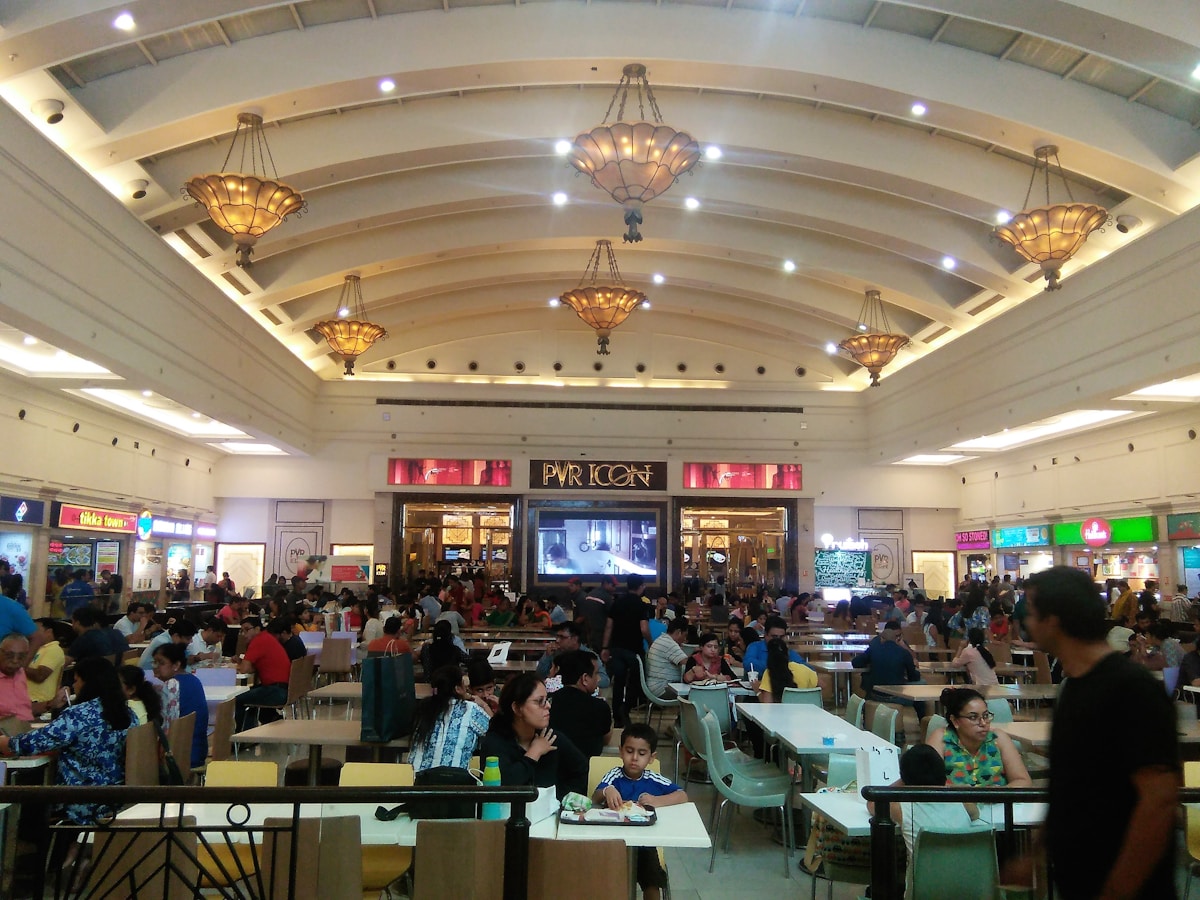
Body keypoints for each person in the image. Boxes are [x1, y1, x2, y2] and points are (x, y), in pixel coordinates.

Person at [1008, 566, 1179, 899]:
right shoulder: (1073, 688)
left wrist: (1117, 889)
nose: (1026, 622)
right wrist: (1034, 853)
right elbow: (1069, 788)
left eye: (1031, 613)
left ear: (1053, 621)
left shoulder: (1131, 689)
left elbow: (1158, 800)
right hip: (1081, 881)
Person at [0, 657, 131, 824]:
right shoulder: (127, 713)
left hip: (79, 800)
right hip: (116, 797)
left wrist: (5, 742)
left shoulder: (79, 715)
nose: (74, 686)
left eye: (76, 680)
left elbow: (28, 744)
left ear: (88, 683)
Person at [867, 743, 982, 899]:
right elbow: (975, 814)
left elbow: (873, 801)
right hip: (970, 891)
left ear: (905, 778)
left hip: (922, 892)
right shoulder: (961, 800)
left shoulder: (903, 808)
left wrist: (902, 781)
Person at [594, 724, 689, 900]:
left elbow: (682, 795)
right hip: (615, 841)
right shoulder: (614, 775)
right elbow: (595, 797)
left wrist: (657, 800)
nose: (634, 758)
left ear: (652, 757)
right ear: (621, 751)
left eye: (642, 753)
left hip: (645, 843)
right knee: (609, 881)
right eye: (629, 751)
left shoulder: (653, 779)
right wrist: (607, 790)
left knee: (652, 882)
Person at [478, 673, 587, 800]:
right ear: (517, 708)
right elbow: (502, 788)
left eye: (547, 699)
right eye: (539, 701)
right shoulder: (495, 742)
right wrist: (533, 754)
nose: (548, 706)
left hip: (548, 817)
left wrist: (557, 799)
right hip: (506, 816)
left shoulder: (550, 738)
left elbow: (581, 769)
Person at [926, 688, 1030, 787]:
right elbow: (927, 785)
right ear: (955, 721)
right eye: (973, 717)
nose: (983, 723)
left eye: (985, 716)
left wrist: (998, 793)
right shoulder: (941, 739)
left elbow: (1023, 780)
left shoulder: (998, 738)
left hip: (997, 803)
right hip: (953, 804)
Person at [407, 663, 491, 773]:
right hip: (452, 783)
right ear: (458, 689)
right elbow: (496, 730)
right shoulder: (468, 709)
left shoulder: (423, 708)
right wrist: (484, 705)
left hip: (415, 782)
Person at [602, 574, 651, 728]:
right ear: (641, 586)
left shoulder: (617, 603)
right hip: (634, 649)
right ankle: (626, 708)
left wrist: (605, 647)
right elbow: (644, 629)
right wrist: (651, 642)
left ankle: (617, 716)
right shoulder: (642, 605)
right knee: (636, 682)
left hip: (616, 648)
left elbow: (609, 626)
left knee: (618, 681)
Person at [151, 642, 210, 769]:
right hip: (198, 750)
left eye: (161, 663)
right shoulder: (193, 679)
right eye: (154, 662)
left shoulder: (171, 685)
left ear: (176, 665)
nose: (155, 667)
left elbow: (168, 728)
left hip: (180, 755)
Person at [851, 621, 925, 717]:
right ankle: (923, 723)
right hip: (897, 696)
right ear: (896, 639)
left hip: (875, 695)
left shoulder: (873, 649)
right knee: (921, 688)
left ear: (881, 638)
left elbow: (855, 663)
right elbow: (913, 676)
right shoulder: (903, 653)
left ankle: (867, 720)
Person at [548, 649, 612, 758]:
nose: (599, 678)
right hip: (587, 769)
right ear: (585, 679)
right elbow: (606, 739)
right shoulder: (600, 707)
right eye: (596, 673)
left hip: (553, 768)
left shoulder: (548, 703)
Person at [235, 616, 292, 729]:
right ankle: (271, 719)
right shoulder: (267, 638)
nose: (243, 634)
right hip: (286, 688)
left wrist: (240, 664)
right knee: (251, 693)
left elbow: (244, 669)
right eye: (241, 631)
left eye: (247, 629)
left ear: (257, 629)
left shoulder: (258, 641)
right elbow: (252, 668)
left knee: (238, 699)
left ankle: (244, 735)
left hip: (276, 691)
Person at [741, 615, 804, 681]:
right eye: (774, 637)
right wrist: (781, 669)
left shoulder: (788, 652)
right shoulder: (754, 647)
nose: (778, 640)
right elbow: (748, 664)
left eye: (781, 637)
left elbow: (806, 668)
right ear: (765, 634)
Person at [757, 637, 819, 702]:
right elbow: (823, 686)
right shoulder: (804, 669)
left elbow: (767, 707)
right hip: (804, 711)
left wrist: (757, 691)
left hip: (781, 712)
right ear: (788, 653)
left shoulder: (769, 673)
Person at [25, 618, 65, 711]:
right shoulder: (36, 648)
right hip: (23, 700)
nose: (31, 633)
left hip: (37, 702)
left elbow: (40, 675)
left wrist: (18, 666)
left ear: (49, 631)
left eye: (35, 630)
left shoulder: (53, 649)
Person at [644, 616, 689, 698]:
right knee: (695, 693)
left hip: (655, 685)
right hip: (662, 688)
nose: (684, 639)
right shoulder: (669, 643)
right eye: (684, 635)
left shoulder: (662, 639)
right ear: (679, 632)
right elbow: (687, 662)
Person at [0, 633, 36, 721]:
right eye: (9, 655)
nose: (15, 661)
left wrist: (50, 704)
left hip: (27, 728)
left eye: (21, 657)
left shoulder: (20, 672)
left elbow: (23, 710)